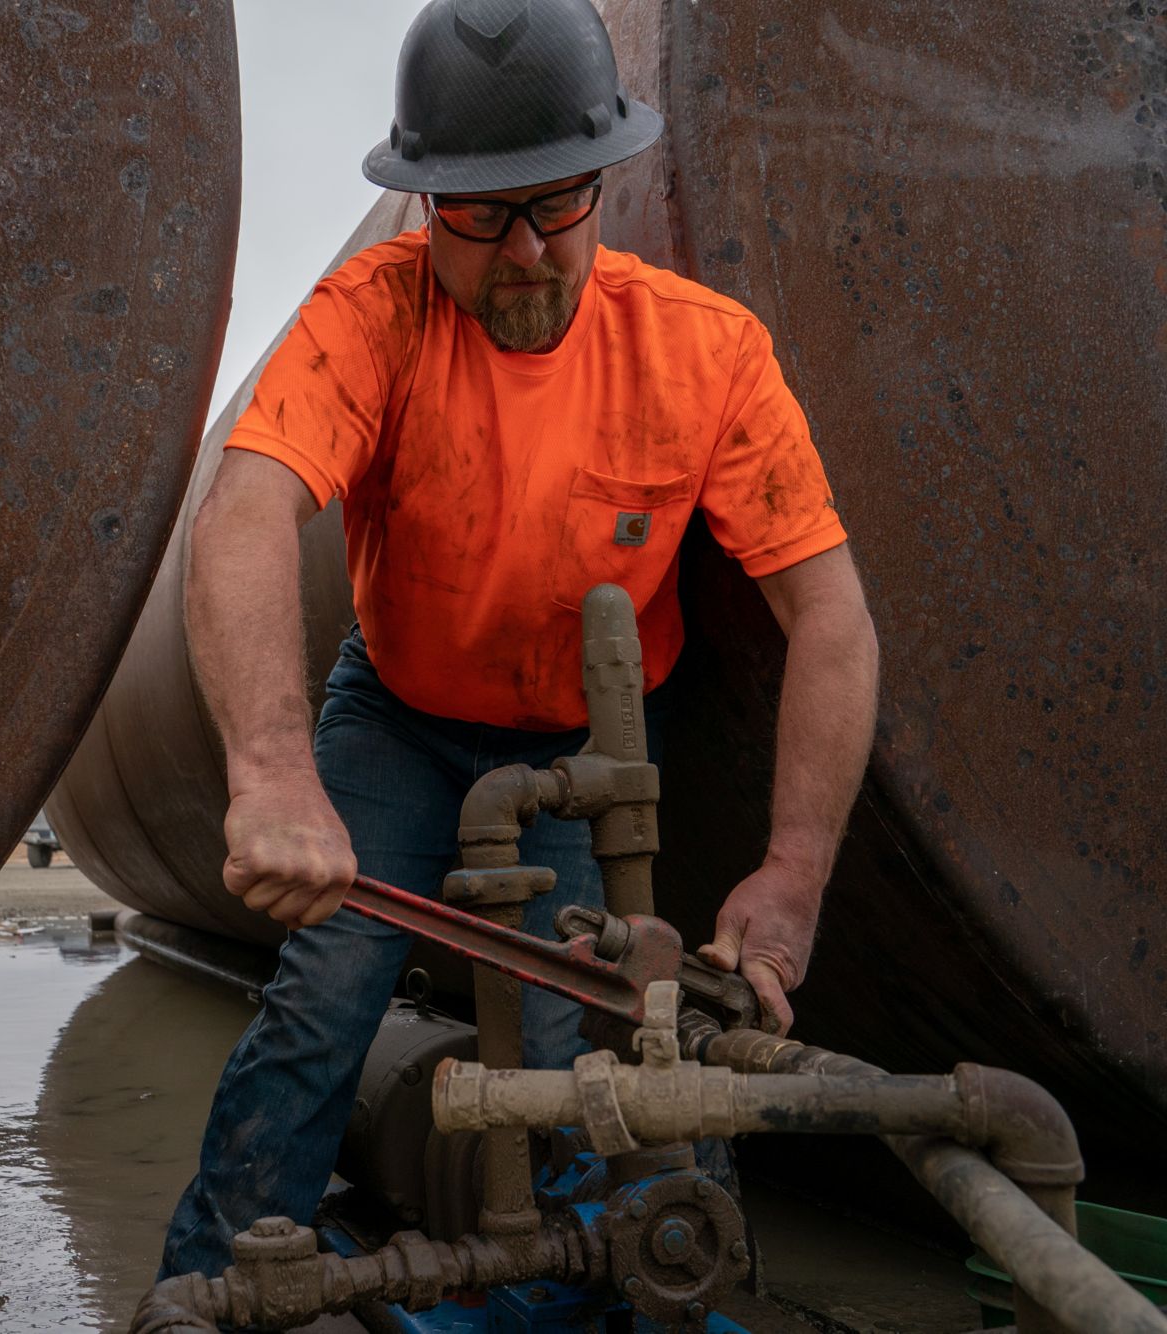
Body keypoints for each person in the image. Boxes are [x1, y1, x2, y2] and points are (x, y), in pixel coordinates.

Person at [160, 0, 880, 1280]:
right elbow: (243, 507)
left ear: (604, 183)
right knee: (325, 997)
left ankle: (614, 1289)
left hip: (584, 749)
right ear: (420, 203)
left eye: (557, 206)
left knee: (574, 1041)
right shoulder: (372, 314)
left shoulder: (703, 354)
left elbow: (826, 610)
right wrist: (270, 774)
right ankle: (207, 1287)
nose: (526, 255)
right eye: (478, 218)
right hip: (395, 713)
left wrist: (794, 868)